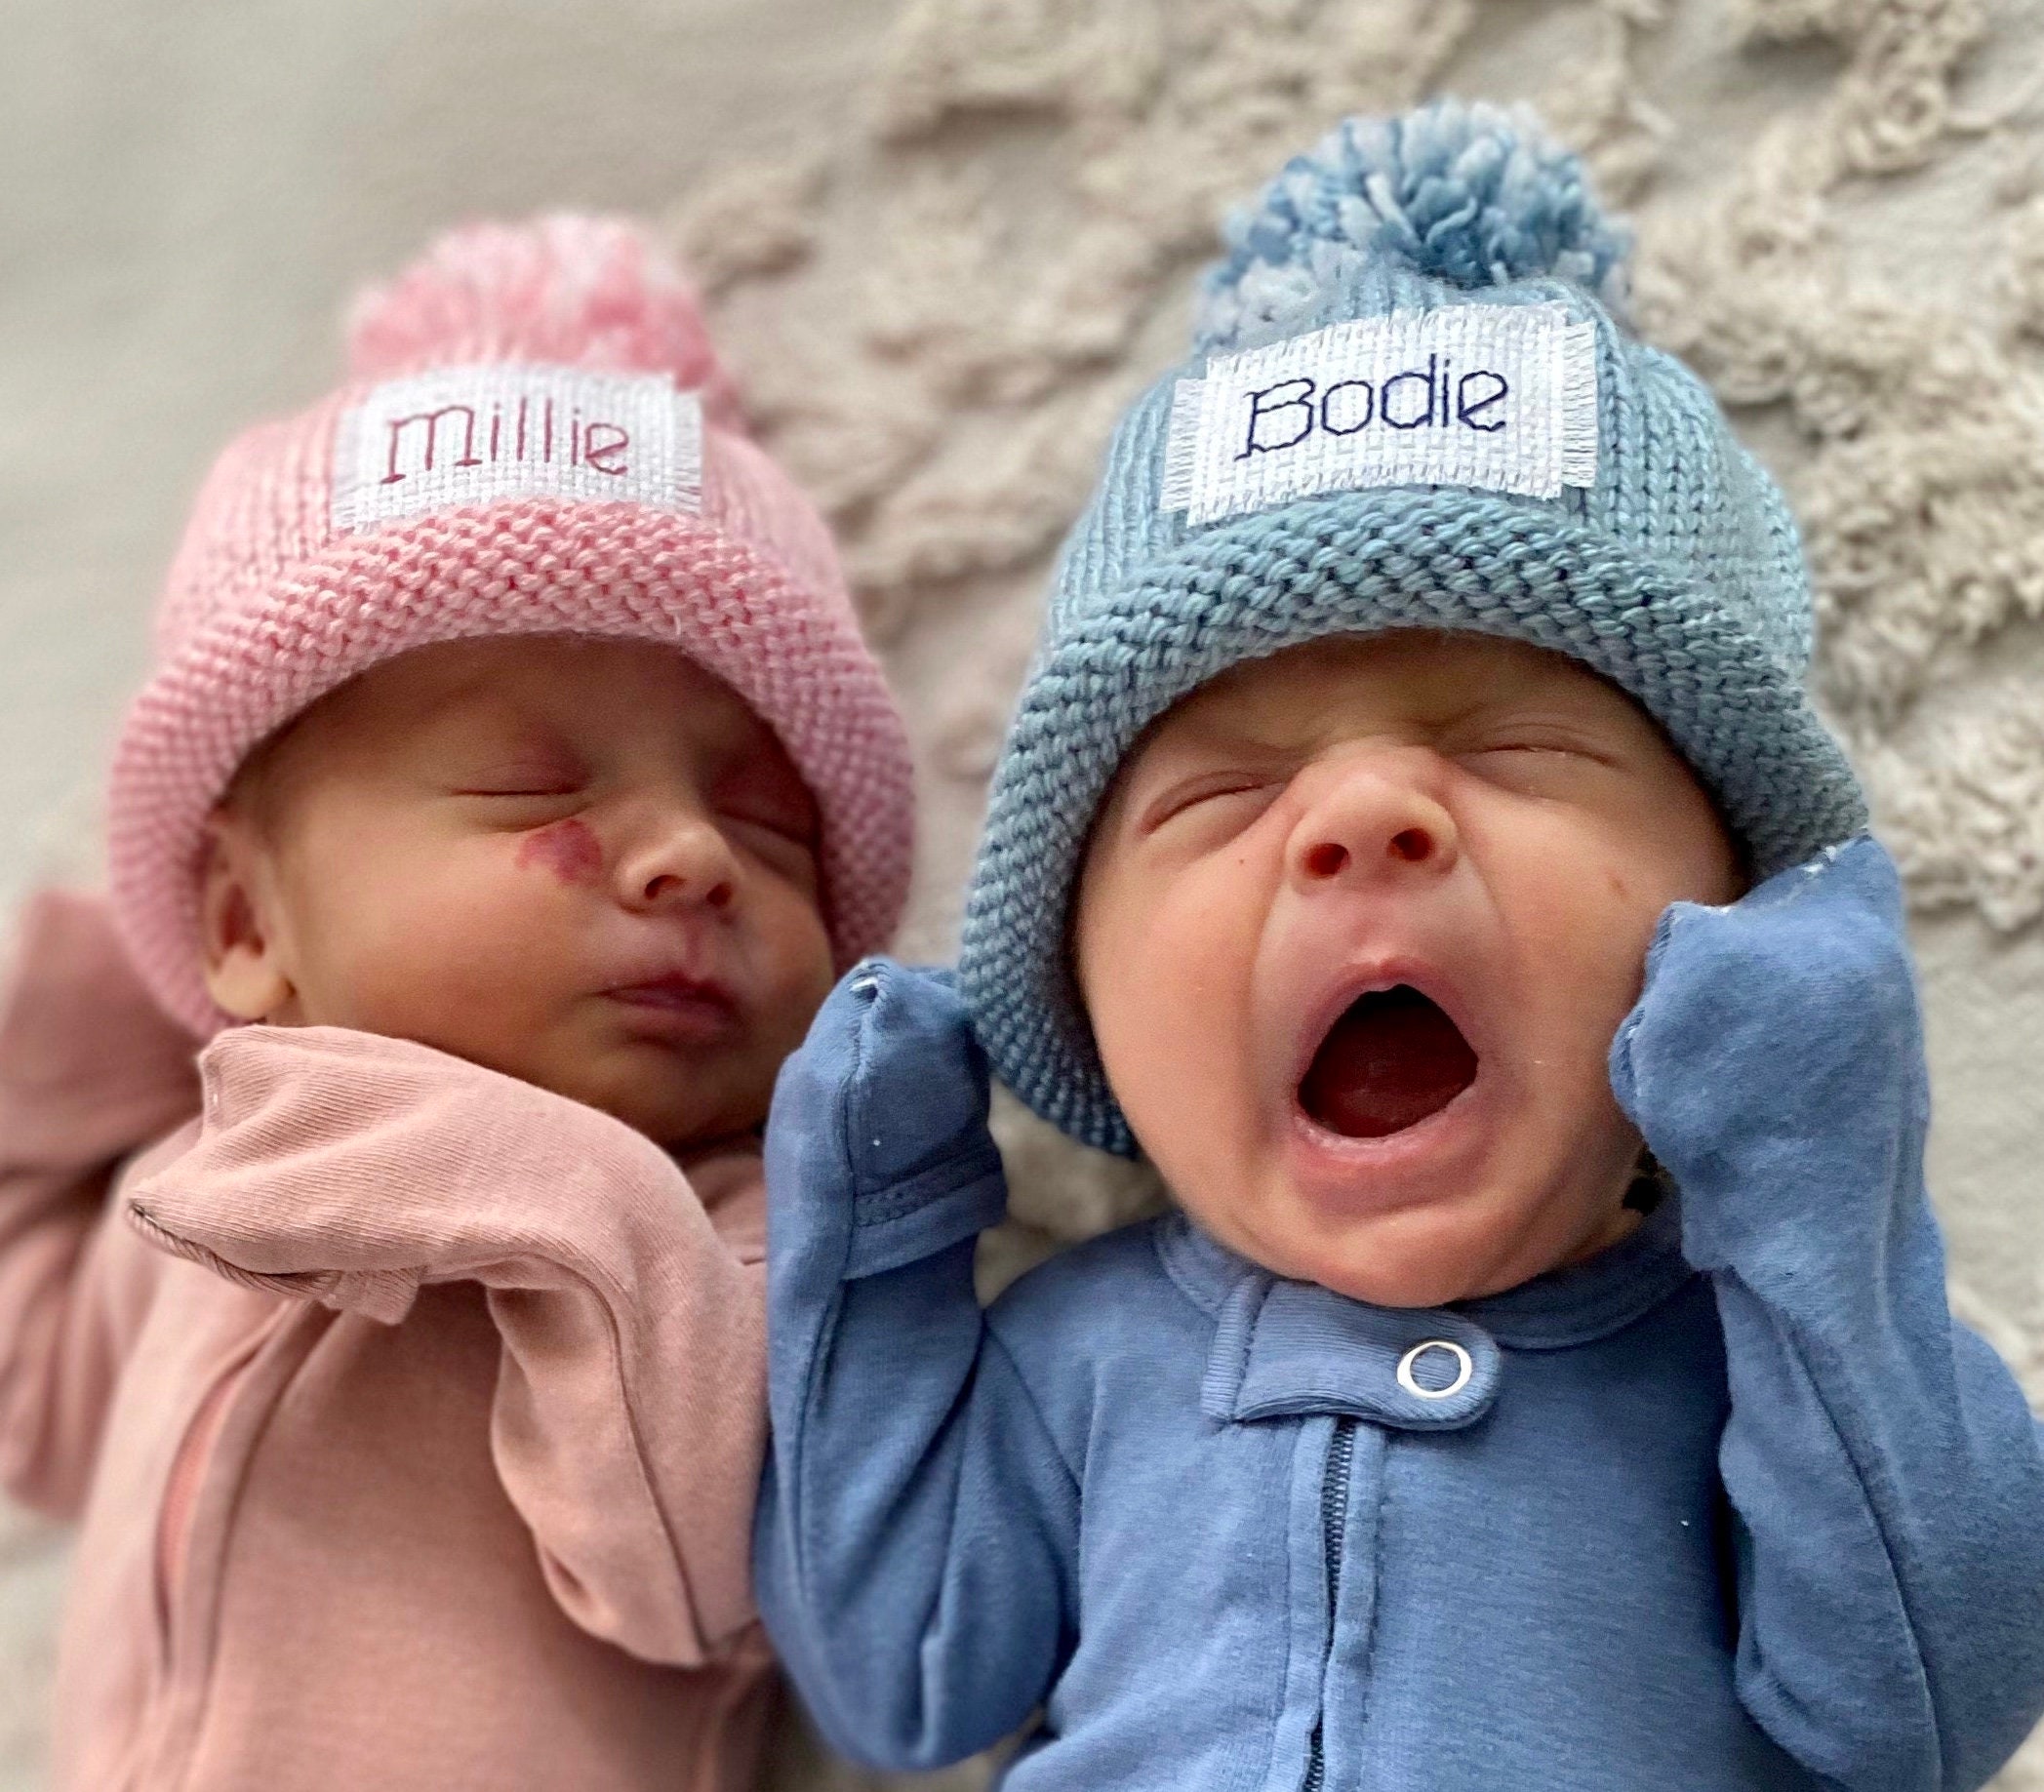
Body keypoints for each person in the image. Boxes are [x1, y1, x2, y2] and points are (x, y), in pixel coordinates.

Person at [753, 100, 2044, 1791]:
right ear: (1077, 983)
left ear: (1734, 915)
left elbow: (1926, 1711)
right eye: (1221, 793)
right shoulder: (1081, 1356)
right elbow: (904, 1678)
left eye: (1517, 749)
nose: (1362, 814)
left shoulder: (1744, 1355)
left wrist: (1819, 1182)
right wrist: (879, 1242)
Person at [0, 214, 913, 1791]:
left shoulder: (737, 1242)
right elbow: (30, 1387)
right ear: (241, 919)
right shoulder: (187, 1198)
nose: (695, 854)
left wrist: (498, 1182)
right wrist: (101, 991)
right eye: (527, 784)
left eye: (768, 825)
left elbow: (696, 1575)